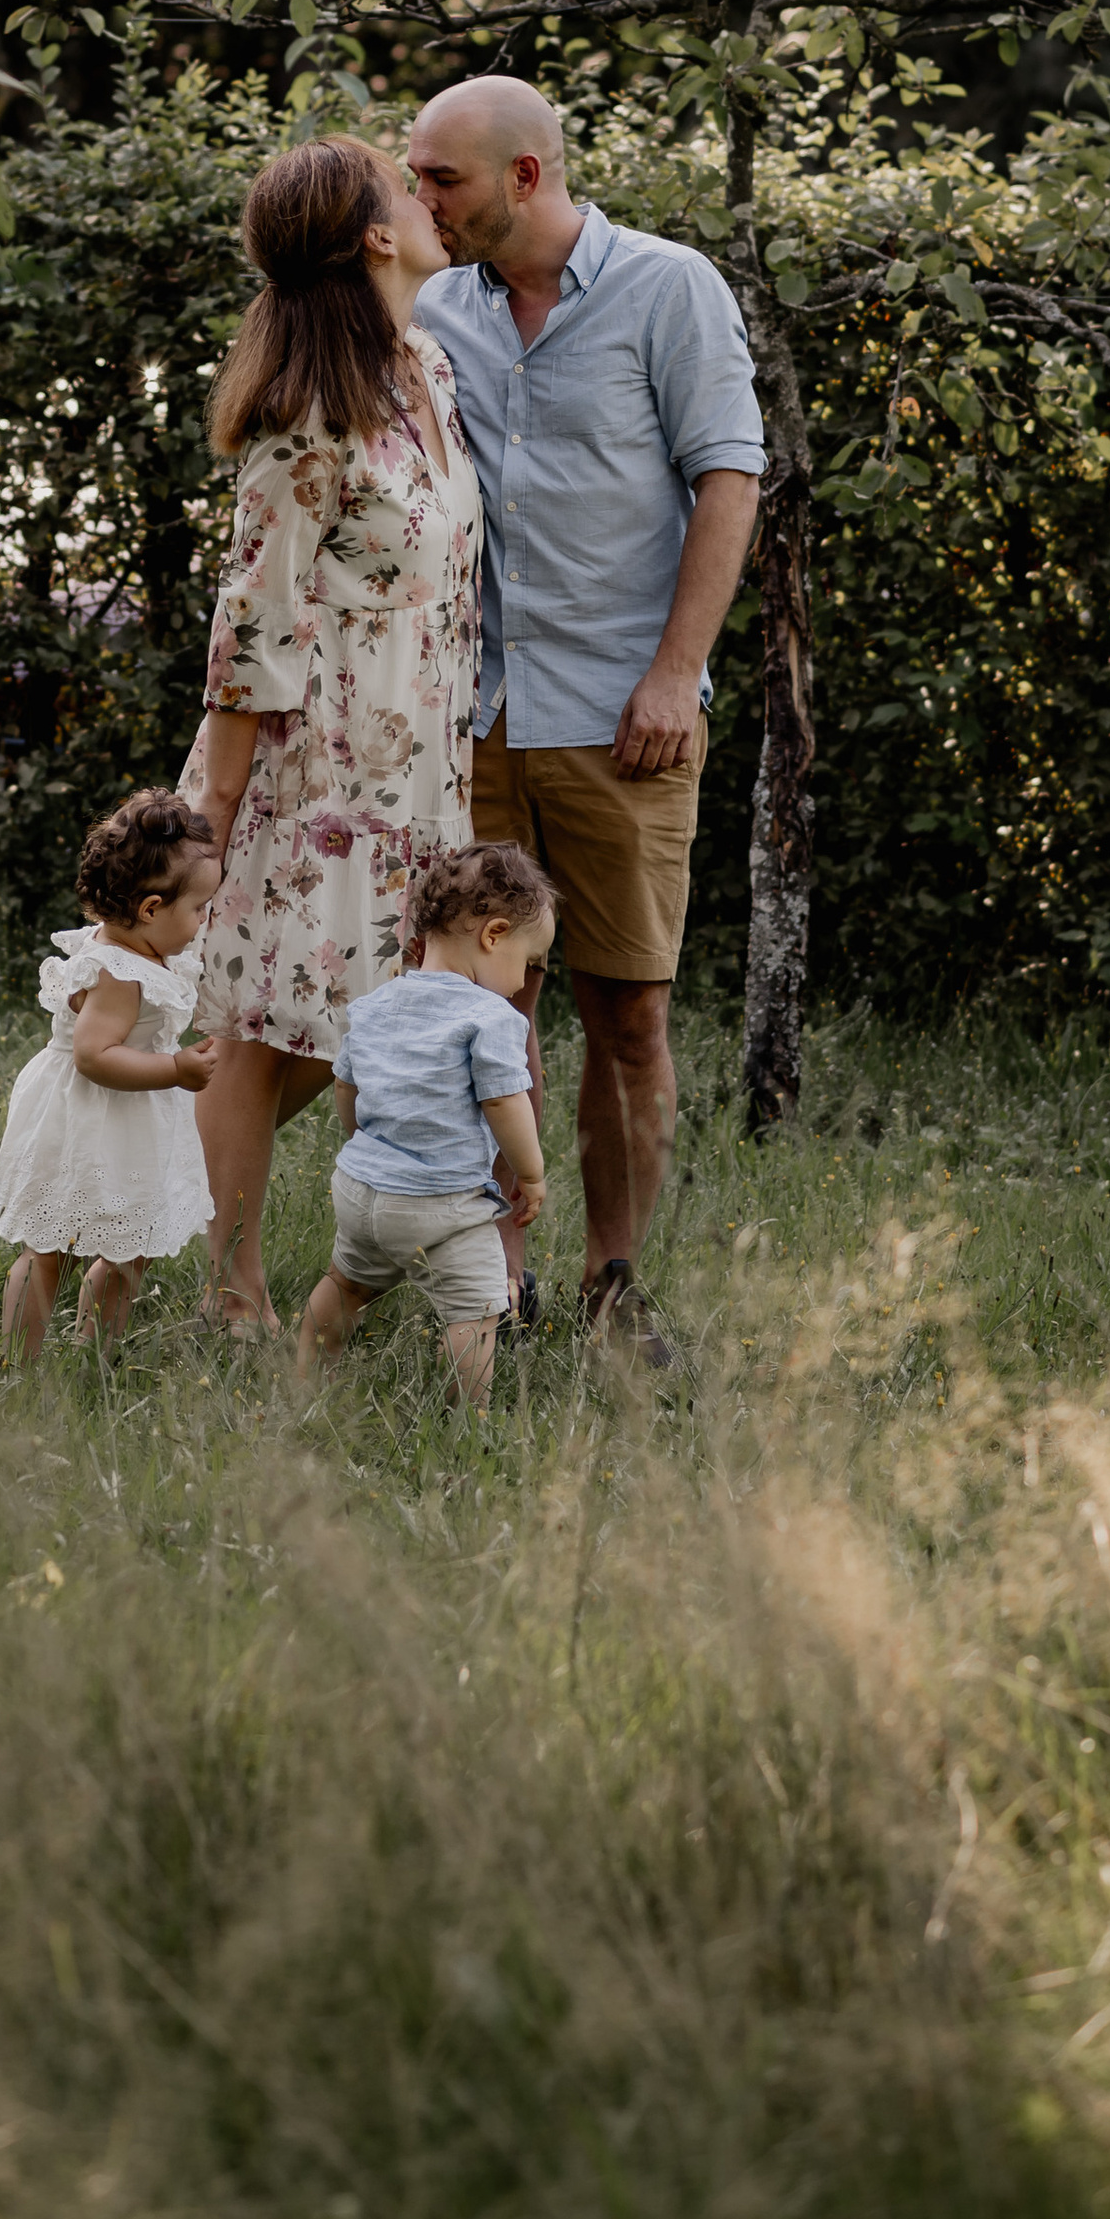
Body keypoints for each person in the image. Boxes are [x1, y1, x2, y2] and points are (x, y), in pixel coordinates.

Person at [406, 76, 762, 1364]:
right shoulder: (436, 309)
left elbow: (728, 476)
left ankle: (615, 1278)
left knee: (627, 1017)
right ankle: (500, 1285)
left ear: (526, 176)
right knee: (482, 1014)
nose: (421, 199)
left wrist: (677, 671)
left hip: (625, 720)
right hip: (476, 721)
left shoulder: (671, 288)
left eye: (440, 178)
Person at [181, 133, 483, 1335]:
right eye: (406, 189)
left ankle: (163, 1183)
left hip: (415, 771)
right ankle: (229, 1291)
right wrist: (209, 820)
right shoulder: (305, 414)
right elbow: (248, 629)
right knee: (263, 1034)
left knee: (342, 1021)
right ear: (371, 233)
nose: (425, 201)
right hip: (309, 781)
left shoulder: (428, 370)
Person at [298, 839, 553, 1410]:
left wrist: (362, 1145)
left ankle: (304, 1386)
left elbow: (347, 1087)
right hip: (442, 1204)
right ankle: (467, 1420)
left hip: (360, 1190)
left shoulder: (375, 1004)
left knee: (346, 1285)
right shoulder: (492, 1016)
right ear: (493, 935)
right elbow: (505, 1102)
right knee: (477, 1311)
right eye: (528, 960)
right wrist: (530, 1175)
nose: (524, 978)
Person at [0, 790, 222, 1361]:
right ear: (150, 910)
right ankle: (20, 1367)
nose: (202, 922)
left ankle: (98, 1354)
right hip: (91, 1120)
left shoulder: (137, 949)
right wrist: (174, 1068)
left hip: (126, 1122)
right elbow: (94, 1055)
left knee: (131, 1245)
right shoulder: (119, 972)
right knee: (53, 1249)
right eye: (198, 910)